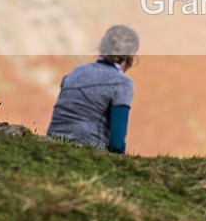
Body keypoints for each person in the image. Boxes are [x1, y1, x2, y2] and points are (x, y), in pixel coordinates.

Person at [47, 25, 139, 153]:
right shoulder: (122, 83)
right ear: (129, 57)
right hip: (89, 152)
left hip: (50, 145)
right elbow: (117, 143)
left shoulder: (75, 72)